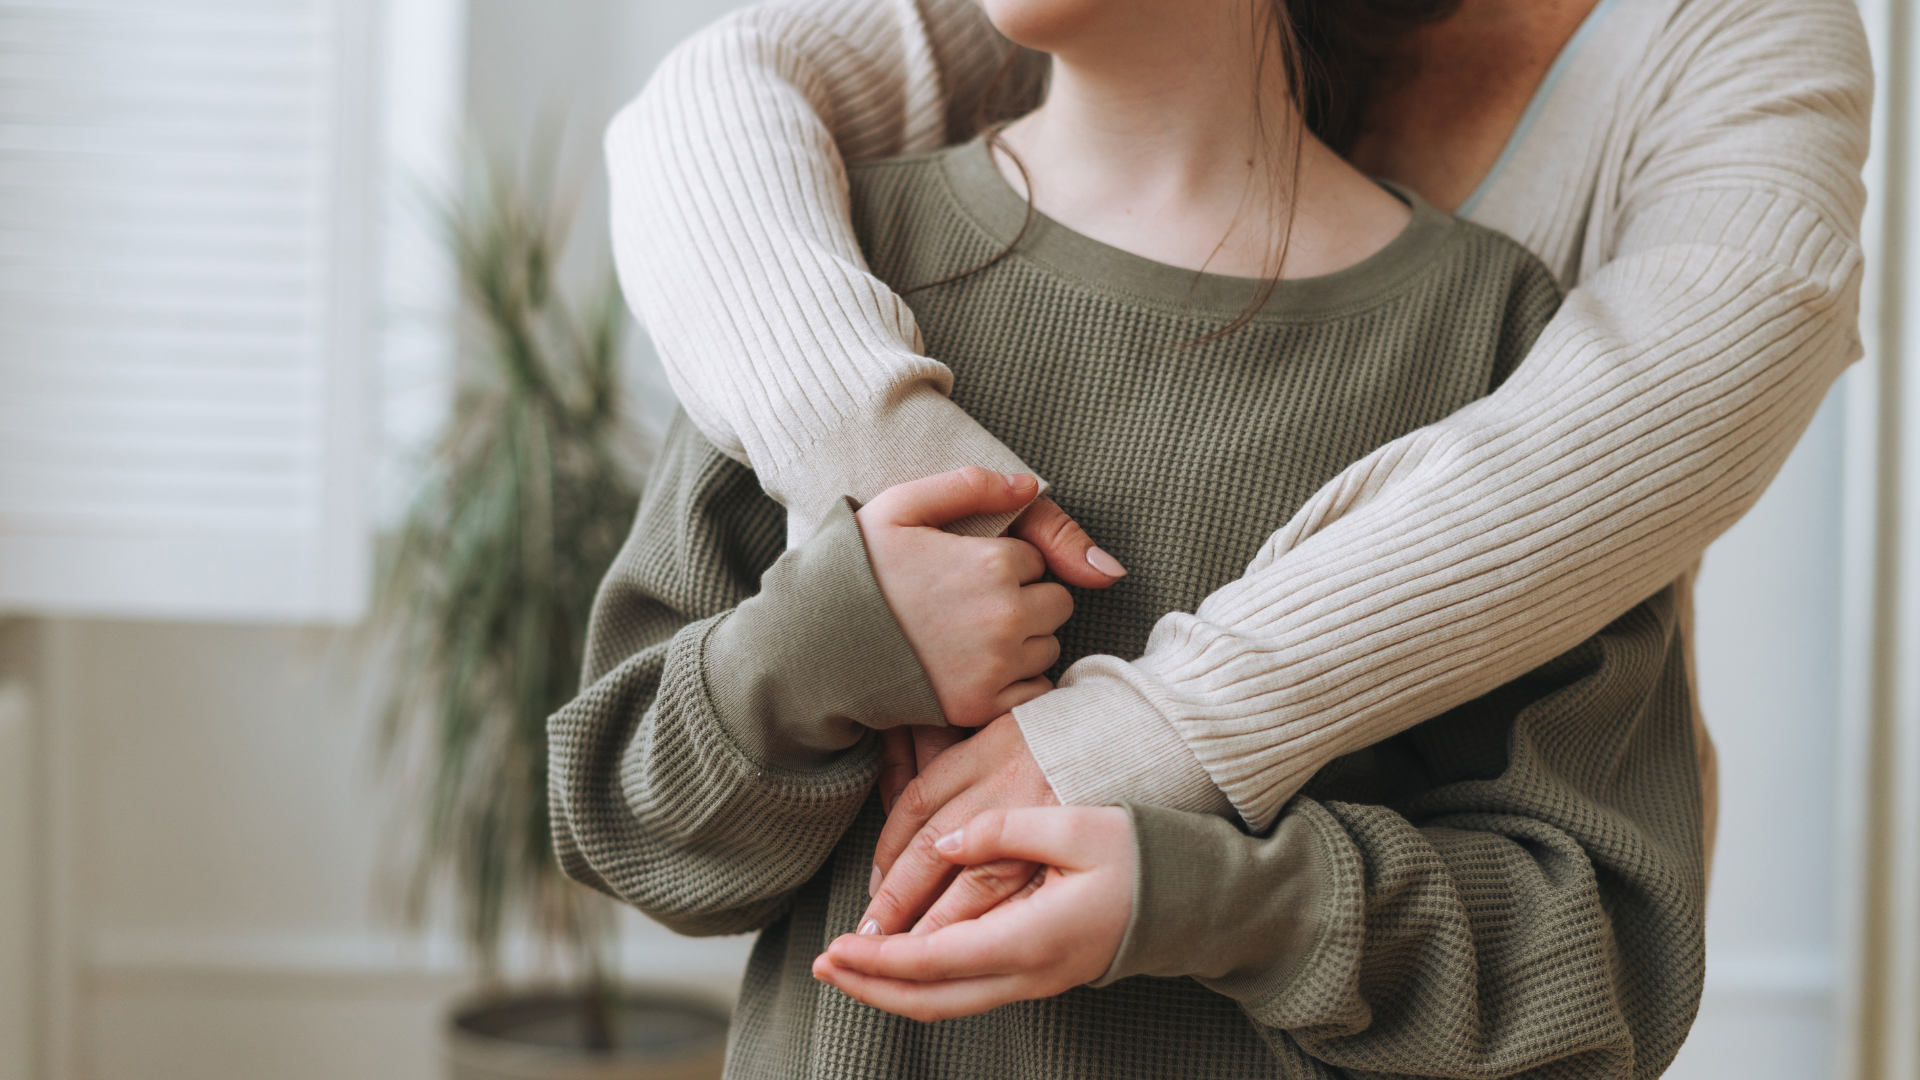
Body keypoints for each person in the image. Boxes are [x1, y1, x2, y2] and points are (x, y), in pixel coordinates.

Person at [549, 0, 1708, 1074]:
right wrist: (826, 646)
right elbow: (621, 820)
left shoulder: (1492, 340)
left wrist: (1211, 899)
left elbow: (1603, 966)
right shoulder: (823, 281)